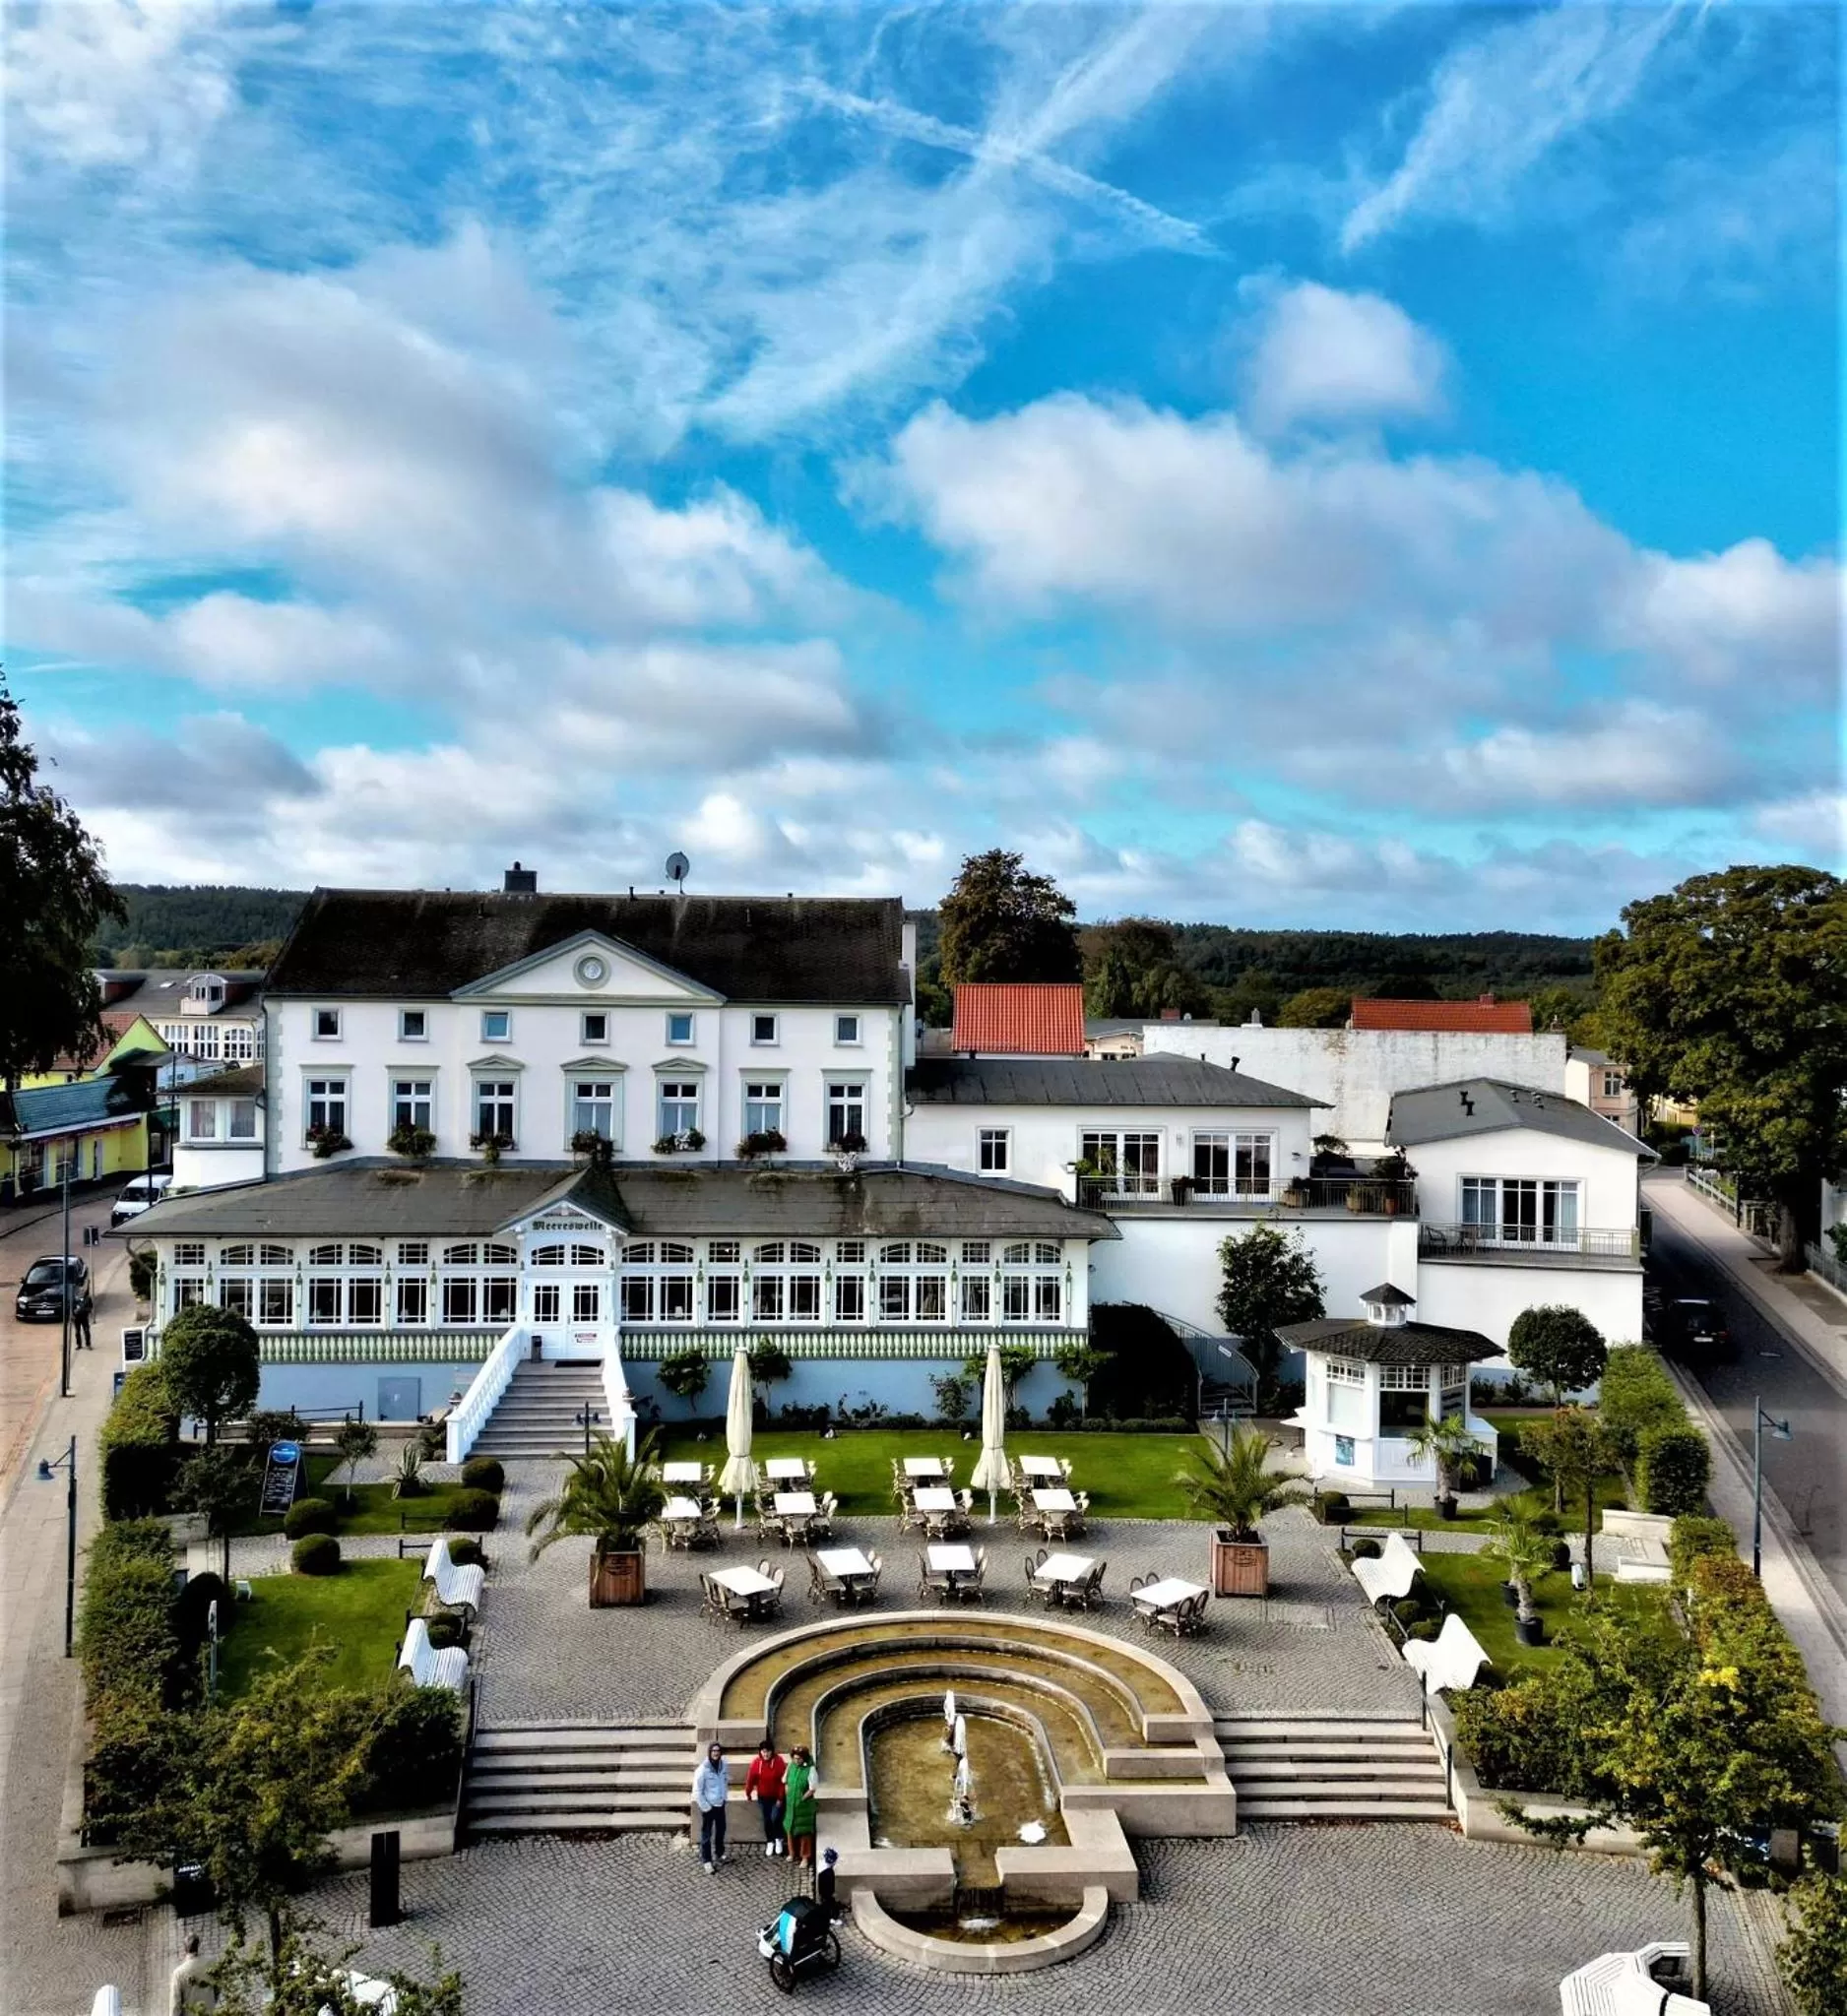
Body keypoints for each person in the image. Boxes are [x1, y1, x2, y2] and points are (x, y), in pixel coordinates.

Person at [744, 1736, 788, 1857]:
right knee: (767, 1820)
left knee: (775, 1818)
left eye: (768, 1751)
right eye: (763, 1751)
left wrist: (780, 1798)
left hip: (776, 1797)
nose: (766, 1754)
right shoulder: (756, 1763)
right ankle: (770, 1841)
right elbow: (751, 1779)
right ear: (760, 1752)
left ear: (772, 1751)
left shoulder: (779, 1762)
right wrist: (748, 1793)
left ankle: (778, 1839)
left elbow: (782, 1781)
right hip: (763, 1797)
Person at [691, 1740, 729, 1873]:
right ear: (709, 1752)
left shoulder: (724, 1765)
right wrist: (706, 1807)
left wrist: (725, 1798)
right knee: (706, 1834)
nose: (716, 1753)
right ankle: (707, 1860)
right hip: (709, 1807)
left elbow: (725, 1781)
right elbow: (697, 1791)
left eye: (718, 1751)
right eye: (713, 1751)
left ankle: (719, 1853)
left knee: (721, 1831)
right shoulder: (702, 1770)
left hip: (720, 1805)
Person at [783, 1743, 818, 1866]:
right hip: (791, 1804)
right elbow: (785, 1780)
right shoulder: (791, 1766)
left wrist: (802, 1798)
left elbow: (812, 1788)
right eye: (794, 1758)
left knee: (804, 1832)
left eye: (799, 1758)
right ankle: (792, 1853)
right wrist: (787, 1791)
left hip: (804, 1806)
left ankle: (805, 1857)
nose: (796, 1761)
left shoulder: (810, 1769)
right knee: (790, 1829)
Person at [167, 1932, 214, 2013]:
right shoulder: (211, 1964)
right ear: (198, 1946)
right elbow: (218, 1987)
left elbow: (175, 2004)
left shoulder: (178, 1973)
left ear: (184, 1948)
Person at [816, 1846, 840, 1921]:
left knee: (825, 1903)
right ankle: (832, 1918)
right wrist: (833, 1893)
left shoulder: (821, 1866)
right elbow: (830, 1884)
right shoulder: (829, 1872)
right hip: (827, 1892)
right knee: (830, 1904)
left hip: (822, 1891)